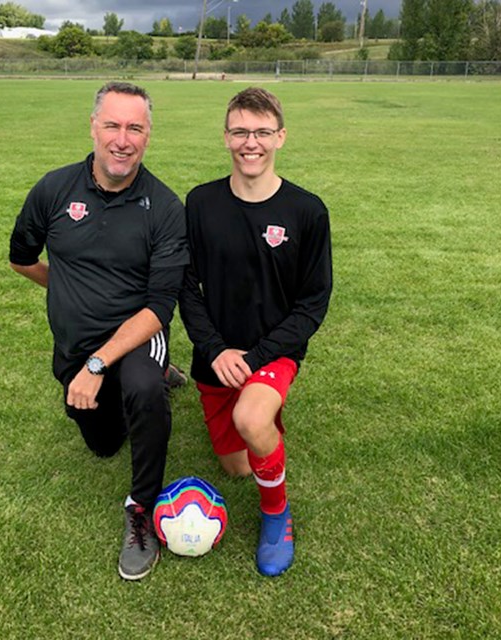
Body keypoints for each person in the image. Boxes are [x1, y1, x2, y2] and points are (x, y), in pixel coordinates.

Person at [9, 82, 188, 581]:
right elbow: (22, 259)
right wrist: (65, 285)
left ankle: (141, 511)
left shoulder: (166, 208)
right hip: (75, 345)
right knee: (103, 442)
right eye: (112, 125)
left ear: (148, 136)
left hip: (136, 334)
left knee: (144, 390)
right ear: (93, 127)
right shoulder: (53, 190)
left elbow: (158, 308)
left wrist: (97, 364)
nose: (122, 139)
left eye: (135, 128)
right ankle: (141, 379)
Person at [178, 87, 333, 577]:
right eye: (241, 131)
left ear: (280, 137)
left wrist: (258, 355)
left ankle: (276, 516)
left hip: (273, 352)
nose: (252, 142)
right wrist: (215, 347)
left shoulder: (307, 211)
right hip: (216, 358)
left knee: (250, 418)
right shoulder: (200, 203)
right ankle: (264, 419)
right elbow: (186, 287)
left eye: (263, 132)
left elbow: (312, 304)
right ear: (226, 137)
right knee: (238, 466)